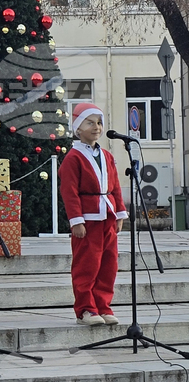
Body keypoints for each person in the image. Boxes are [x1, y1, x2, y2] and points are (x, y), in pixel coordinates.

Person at [60, 103, 127, 326]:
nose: (96, 127)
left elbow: (115, 185)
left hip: (106, 215)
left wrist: (119, 213)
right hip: (88, 218)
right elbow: (69, 192)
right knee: (87, 264)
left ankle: (103, 305)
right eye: (90, 123)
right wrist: (76, 220)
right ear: (78, 128)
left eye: (99, 122)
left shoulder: (106, 155)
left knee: (108, 263)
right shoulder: (73, 157)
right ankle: (85, 309)